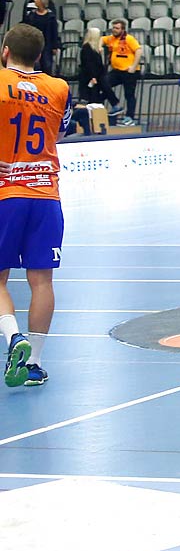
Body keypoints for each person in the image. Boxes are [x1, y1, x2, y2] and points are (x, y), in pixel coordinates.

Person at [0, 24, 68, 389]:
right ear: (40, 56)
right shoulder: (59, 88)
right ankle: (35, 364)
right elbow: (63, 128)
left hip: (5, 194)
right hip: (46, 195)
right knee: (42, 280)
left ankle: (14, 337)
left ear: (6, 51)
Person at [102, 19, 144, 126]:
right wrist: (99, 46)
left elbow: (138, 50)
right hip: (116, 71)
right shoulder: (111, 39)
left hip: (129, 72)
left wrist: (134, 66)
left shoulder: (129, 39)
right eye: (113, 28)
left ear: (122, 29)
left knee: (129, 94)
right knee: (103, 83)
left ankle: (129, 117)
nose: (114, 30)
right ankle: (115, 104)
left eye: (117, 28)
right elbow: (101, 40)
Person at [75, 27, 109, 134]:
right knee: (89, 99)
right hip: (89, 78)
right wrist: (92, 77)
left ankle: (95, 123)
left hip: (95, 77)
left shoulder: (95, 48)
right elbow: (89, 64)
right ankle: (88, 125)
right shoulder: (87, 48)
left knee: (95, 99)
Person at [21, 0, 59, 74]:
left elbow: (54, 32)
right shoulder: (32, 15)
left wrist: (55, 46)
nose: (35, 1)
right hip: (34, 43)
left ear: (42, 2)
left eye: (36, 0)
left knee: (46, 65)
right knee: (35, 65)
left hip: (47, 44)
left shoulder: (51, 17)